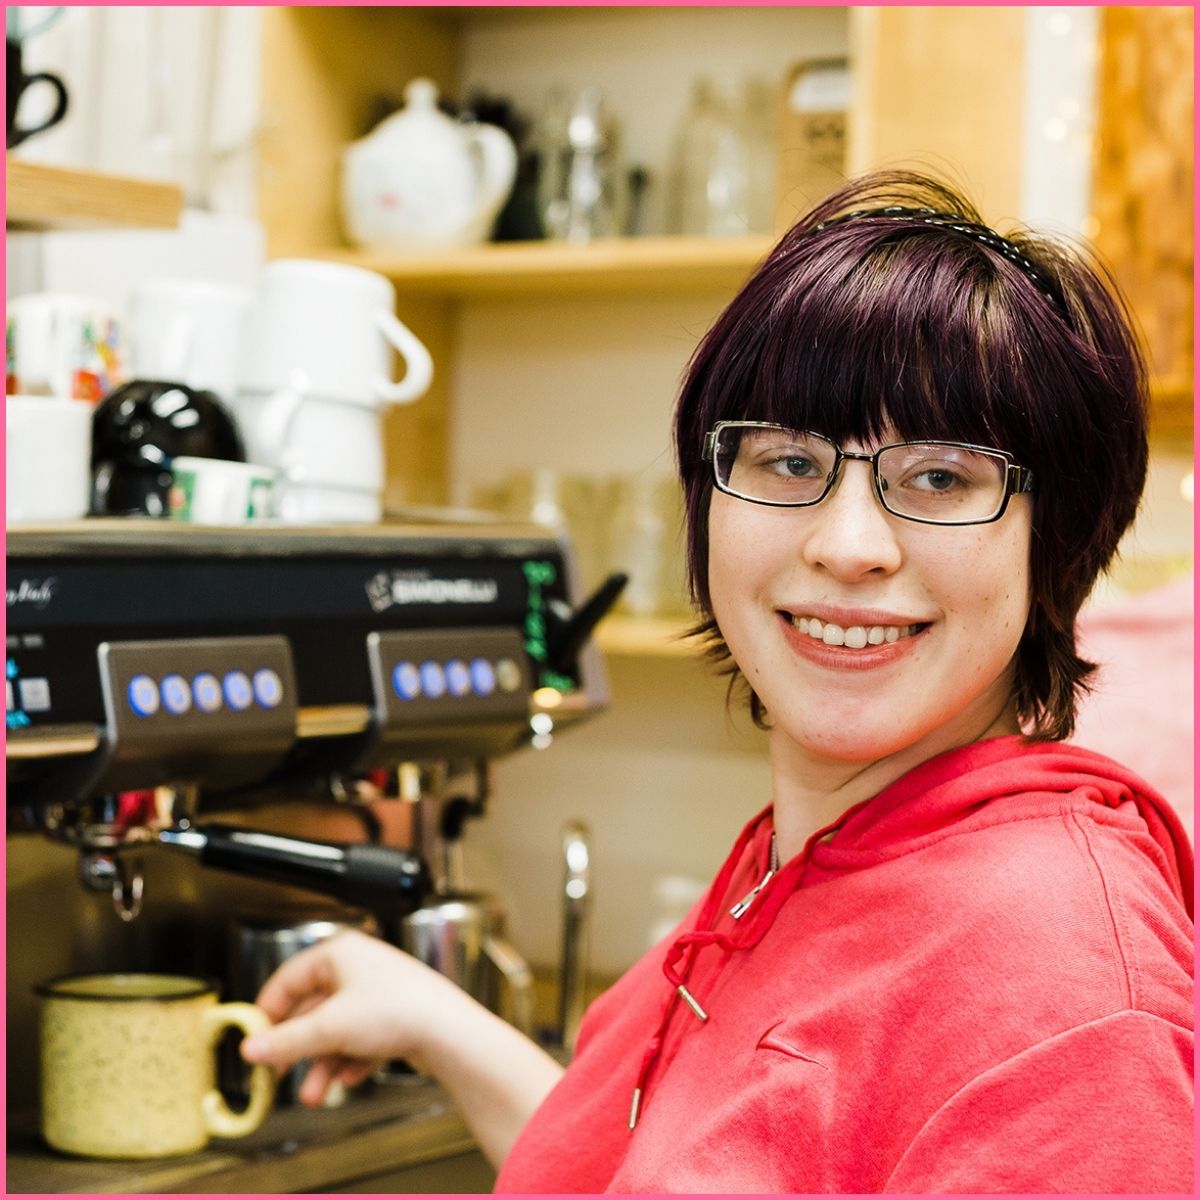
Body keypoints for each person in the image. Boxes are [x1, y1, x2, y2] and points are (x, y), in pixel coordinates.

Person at [241, 170, 1193, 1193]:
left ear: (1059, 542)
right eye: (789, 462)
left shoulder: (1064, 994)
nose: (849, 545)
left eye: (940, 478)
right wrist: (439, 1024)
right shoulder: (826, 849)